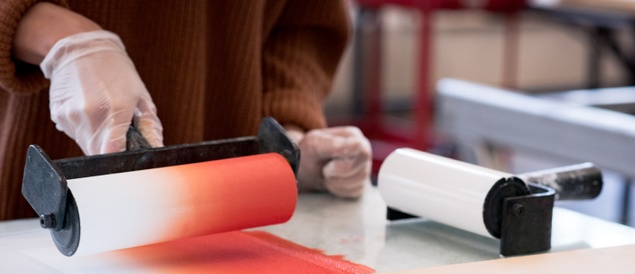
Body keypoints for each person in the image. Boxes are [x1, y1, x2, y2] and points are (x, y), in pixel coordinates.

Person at [0, 0, 371, 221]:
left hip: (224, 212)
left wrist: (288, 140)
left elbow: (301, 21)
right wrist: (61, 36)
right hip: (25, 216)